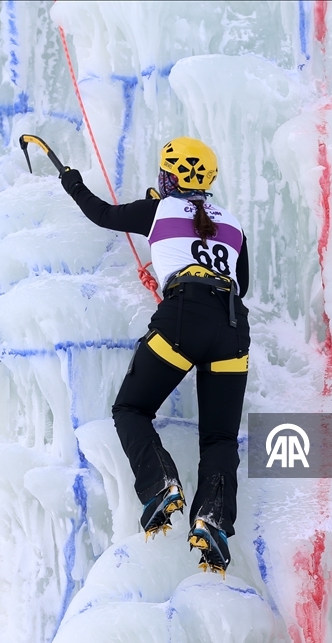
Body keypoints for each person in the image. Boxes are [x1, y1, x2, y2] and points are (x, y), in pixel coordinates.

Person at [59, 137, 250, 575]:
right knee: (220, 437)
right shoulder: (234, 223)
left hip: (184, 317)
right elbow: (241, 282)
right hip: (232, 329)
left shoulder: (158, 210)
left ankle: (160, 484)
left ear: (169, 177)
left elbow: (102, 214)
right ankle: (214, 521)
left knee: (131, 408)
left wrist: (73, 184)